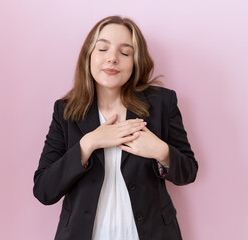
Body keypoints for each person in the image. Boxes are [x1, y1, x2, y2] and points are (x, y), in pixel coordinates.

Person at [33, 15, 198, 240]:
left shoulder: (161, 103)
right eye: (102, 49)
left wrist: (160, 151)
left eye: (125, 52)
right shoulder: (65, 112)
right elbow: (44, 190)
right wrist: (88, 144)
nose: (112, 59)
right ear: (88, 56)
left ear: (135, 61)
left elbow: (188, 172)